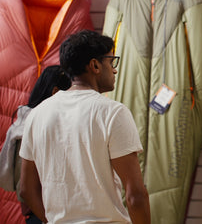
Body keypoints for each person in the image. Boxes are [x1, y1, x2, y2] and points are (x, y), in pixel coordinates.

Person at [19, 30, 150, 224]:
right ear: (95, 65)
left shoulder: (37, 114)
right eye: (110, 61)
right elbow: (135, 196)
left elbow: (26, 190)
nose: (114, 70)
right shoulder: (113, 113)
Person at [0, 65, 71, 224]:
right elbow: (25, 189)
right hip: (43, 215)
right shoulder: (28, 128)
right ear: (55, 92)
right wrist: (49, 220)